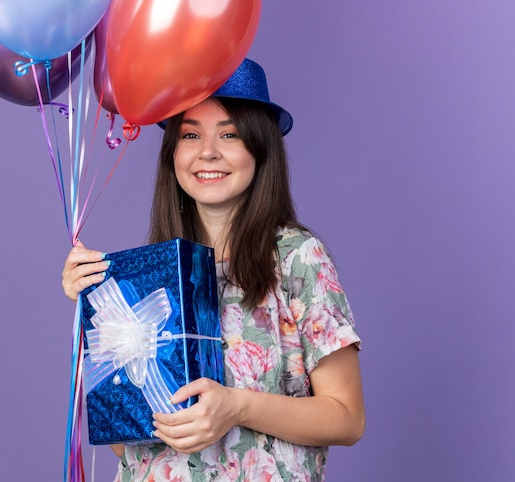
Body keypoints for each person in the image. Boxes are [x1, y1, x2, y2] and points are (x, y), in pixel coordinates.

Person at [62, 58, 364, 481]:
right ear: (173, 152)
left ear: (260, 147)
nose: (208, 152)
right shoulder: (150, 275)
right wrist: (93, 312)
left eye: (229, 134)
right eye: (190, 134)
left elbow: (347, 418)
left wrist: (237, 407)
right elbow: (124, 442)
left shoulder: (297, 256)